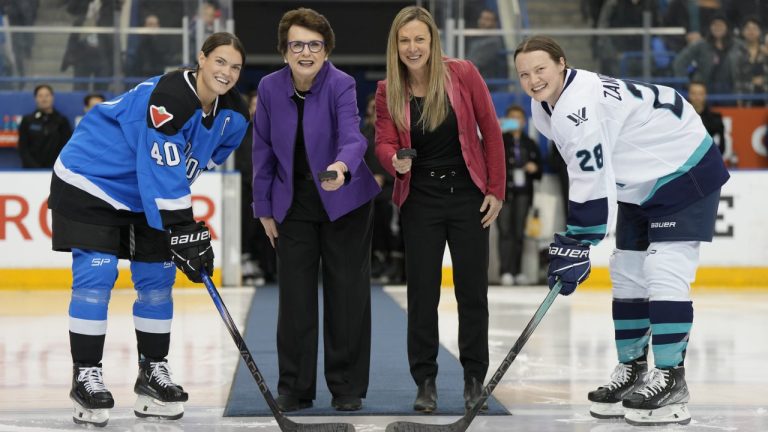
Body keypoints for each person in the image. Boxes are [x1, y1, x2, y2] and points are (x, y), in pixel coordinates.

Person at [514, 36, 730, 426]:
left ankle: (671, 379)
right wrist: (580, 238)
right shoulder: (543, 106)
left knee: (664, 271)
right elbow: (594, 167)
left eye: (540, 69)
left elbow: (589, 172)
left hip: (684, 168)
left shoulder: (577, 106)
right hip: (638, 180)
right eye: (524, 74)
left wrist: (580, 239)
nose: (533, 80)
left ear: (562, 63)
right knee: (627, 272)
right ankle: (632, 370)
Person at [47, 32, 250, 427]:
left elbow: (189, 167)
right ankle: (85, 376)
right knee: (97, 274)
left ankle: (152, 374)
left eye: (236, 67)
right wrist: (181, 226)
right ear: (201, 58)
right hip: (92, 178)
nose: (226, 72)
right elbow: (159, 166)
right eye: (220, 61)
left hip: (145, 191)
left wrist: (181, 232)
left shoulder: (234, 116)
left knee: (157, 278)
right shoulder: (171, 97)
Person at [374, 6, 505, 414]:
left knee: (472, 294)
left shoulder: (463, 73)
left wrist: (496, 189)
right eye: (405, 40)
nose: (413, 48)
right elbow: (382, 141)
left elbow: (491, 129)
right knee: (422, 295)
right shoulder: (387, 89)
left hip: (469, 196)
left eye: (420, 39)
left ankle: (473, 380)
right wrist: (393, 159)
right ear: (395, 45)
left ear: (433, 41)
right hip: (421, 200)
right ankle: (425, 382)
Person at [251, 8, 380, 413]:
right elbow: (263, 150)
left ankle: (347, 387)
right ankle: (294, 386)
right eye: (297, 44)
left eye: (314, 44)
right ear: (284, 50)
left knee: (347, 296)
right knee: (295, 299)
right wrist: (264, 208)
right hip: (294, 204)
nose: (305, 52)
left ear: (326, 50)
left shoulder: (340, 83)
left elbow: (352, 135)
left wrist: (341, 166)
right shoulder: (270, 87)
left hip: (343, 200)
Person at [497, 104, 542, 286]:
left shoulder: (530, 143)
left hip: (524, 192)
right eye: (512, 118)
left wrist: (534, 167)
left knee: (519, 233)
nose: (516, 121)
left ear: (524, 122)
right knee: (505, 232)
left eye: (519, 118)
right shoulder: (499, 140)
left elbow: (539, 170)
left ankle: (518, 271)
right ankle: (505, 271)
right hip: (504, 193)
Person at [362, 93, 404, 283]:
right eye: (373, 109)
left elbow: (402, 161)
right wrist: (369, 177)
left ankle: (396, 266)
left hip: (391, 190)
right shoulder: (362, 136)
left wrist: (385, 177)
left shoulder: (395, 135)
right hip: (369, 193)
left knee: (392, 229)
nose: (376, 113)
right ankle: (377, 264)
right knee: (372, 229)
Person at [673, 13, 742, 95]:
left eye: (721, 25)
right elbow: (679, 63)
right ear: (710, 27)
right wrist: (689, 84)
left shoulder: (737, 45)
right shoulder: (700, 45)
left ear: (727, 27)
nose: (718, 28)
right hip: (705, 91)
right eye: (715, 25)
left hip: (731, 90)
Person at [17, 84, 72, 168]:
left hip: (55, 170)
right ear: (35, 98)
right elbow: (23, 148)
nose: (44, 98)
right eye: (40, 95)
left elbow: (66, 148)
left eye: (47, 95)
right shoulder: (27, 120)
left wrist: (54, 167)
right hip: (30, 172)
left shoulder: (62, 121)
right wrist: (34, 168)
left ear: (52, 97)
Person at [466, 9, 508, 82]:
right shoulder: (475, 38)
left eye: (487, 19)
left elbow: (475, 62)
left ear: (494, 23)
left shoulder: (494, 42)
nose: (483, 21)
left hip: (486, 82)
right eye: (482, 18)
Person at [686, 81, 725, 154]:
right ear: (689, 95)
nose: (697, 97)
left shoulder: (716, 120)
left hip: (709, 161)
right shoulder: (683, 119)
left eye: (700, 94)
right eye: (694, 93)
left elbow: (721, 148)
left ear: (705, 95)